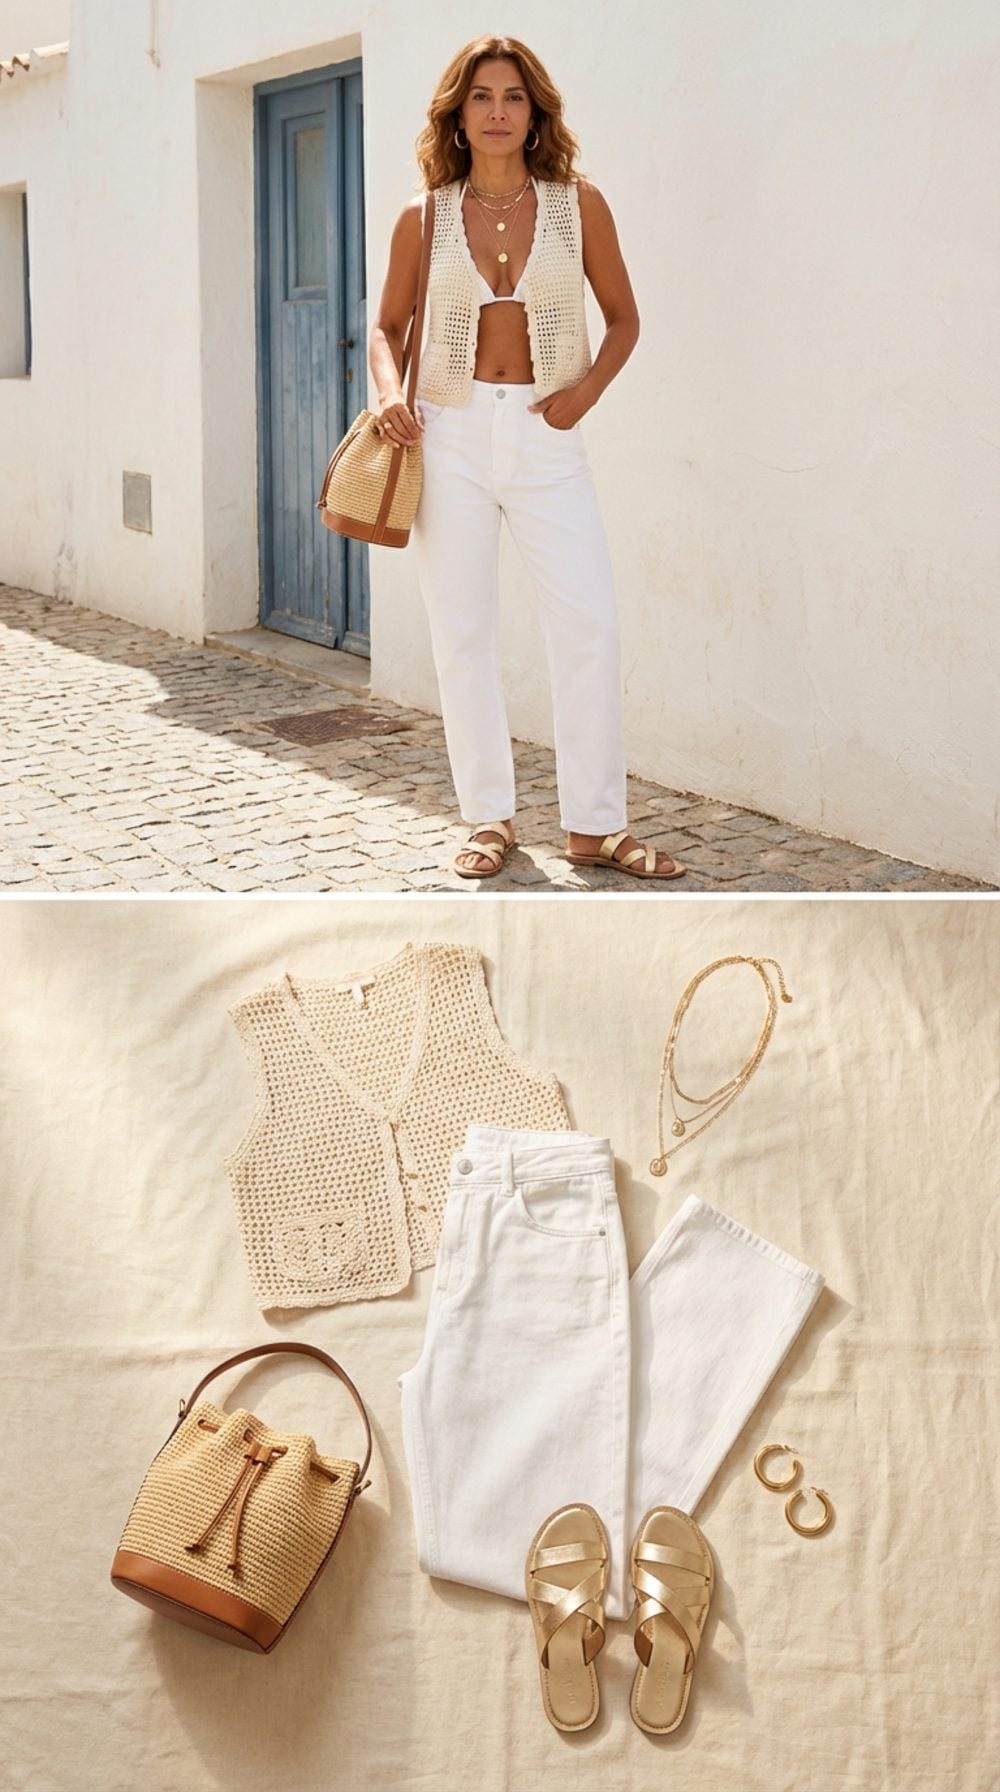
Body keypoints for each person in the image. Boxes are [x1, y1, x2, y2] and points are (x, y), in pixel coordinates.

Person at [369, 35, 685, 881]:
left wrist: (583, 396)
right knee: (463, 631)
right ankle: (488, 820)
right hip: (451, 433)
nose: (499, 112)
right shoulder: (424, 215)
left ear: (535, 112)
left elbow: (623, 319)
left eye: (514, 97)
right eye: (482, 98)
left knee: (588, 625)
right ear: (459, 115)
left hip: (549, 436)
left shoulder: (579, 204)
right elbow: (384, 329)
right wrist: (390, 396)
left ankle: (594, 826)